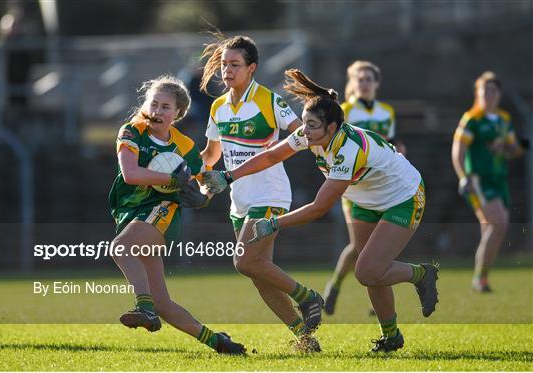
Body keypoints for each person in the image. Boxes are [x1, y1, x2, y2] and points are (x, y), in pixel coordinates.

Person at [203, 69, 439, 352]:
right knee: (371, 270)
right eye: (304, 124)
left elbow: (319, 207)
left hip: (403, 196)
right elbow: (272, 154)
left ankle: (421, 274)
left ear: (333, 127)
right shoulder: (309, 134)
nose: (305, 131)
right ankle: (391, 338)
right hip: (365, 199)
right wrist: (228, 176)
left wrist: (275, 223)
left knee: (367, 271)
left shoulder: (348, 149)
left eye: (312, 126)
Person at [199, 33, 323, 352]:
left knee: (243, 261)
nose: (227, 70)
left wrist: (327, 150)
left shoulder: (268, 100)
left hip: (270, 194)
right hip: (238, 200)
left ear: (251, 68)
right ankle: (305, 339)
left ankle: (307, 297)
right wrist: (192, 174)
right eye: (224, 64)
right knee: (258, 274)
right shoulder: (217, 107)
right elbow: (211, 155)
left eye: (235, 65)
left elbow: (301, 133)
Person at [108, 74, 245, 354]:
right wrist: (173, 178)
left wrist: (203, 198)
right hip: (132, 212)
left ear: (177, 114)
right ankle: (218, 342)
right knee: (163, 302)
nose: (157, 111)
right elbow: (130, 174)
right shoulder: (132, 131)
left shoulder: (184, 147)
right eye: (153, 104)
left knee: (121, 248)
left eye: (165, 107)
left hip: (161, 211)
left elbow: (208, 180)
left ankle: (142, 308)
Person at [324, 60, 406, 315]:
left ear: (376, 83)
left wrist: (398, 151)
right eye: (360, 79)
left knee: (375, 246)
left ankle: (374, 300)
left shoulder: (386, 112)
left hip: (382, 186)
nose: (365, 83)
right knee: (360, 247)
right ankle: (336, 286)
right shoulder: (345, 110)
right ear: (354, 83)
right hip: (354, 186)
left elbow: (390, 143)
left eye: (369, 79)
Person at [452, 71, 525, 293]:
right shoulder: (471, 120)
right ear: (477, 94)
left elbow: (514, 150)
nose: (488, 95)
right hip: (479, 180)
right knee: (499, 223)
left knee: (491, 228)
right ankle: (480, 278)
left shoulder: (504, 119)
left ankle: (480, 278)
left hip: (499, 179)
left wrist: (510, 147)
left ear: (499, 94)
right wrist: (464, 176)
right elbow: (458, 152)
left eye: (492, 90)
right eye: (484, 90)